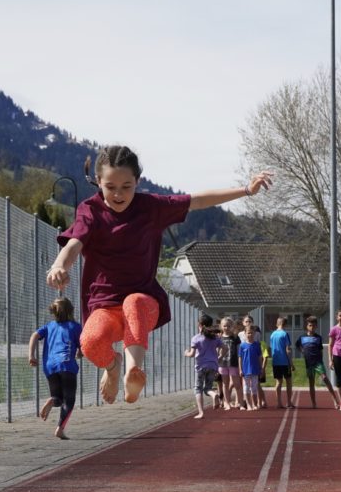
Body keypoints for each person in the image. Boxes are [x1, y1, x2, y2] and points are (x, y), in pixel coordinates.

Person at [46, 145, 272, 404]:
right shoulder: (90, 210)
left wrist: (245, 190)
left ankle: (133, 370)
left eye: (127, 186)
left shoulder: (151, 207)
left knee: (134, 302)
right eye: (110, 187)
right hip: (104, 307)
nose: (118, 194)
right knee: (90, 343)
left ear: (137, 181)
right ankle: (113, 365)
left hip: (145, 303)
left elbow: (197, 200)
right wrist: (59, 265)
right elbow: (75, 242)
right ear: (98, 181)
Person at [28, 297, 83, 439]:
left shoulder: (49, 326)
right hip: (67, 366)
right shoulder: (75, 327)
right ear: (71, 310)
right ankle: (60, 428)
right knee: (69, 400)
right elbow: (83, 345)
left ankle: (52, 400)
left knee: (58, 398)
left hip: (50, 366)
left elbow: (34, 335)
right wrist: (80, 352)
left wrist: (31, 356)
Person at [296, 316, 341, 410]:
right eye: (310, 325)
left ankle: (335, 399)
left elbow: (320, 350)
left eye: (313, 326)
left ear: (316, 326)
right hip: (308, 363)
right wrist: (302, 350)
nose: (311, 327)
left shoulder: (318, 338)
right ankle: (313, 403)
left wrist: (321, 360)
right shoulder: (302, 337)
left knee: (325, 378)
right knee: (311, 383)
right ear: (307, 326)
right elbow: (297, 345)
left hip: (318, 363)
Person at [184, 313, 224, 419]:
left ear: (200, 325)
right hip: (213, 366)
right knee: (208, 388)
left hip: (200, 366)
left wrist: (186, 353)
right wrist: (219, 357)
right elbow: (225, 348)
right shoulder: (215, 338)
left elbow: (192, 354)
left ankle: (201, 412)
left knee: (198, 389)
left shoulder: (196, 338)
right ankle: (213, 394)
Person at [217, 317, 244, 410]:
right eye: (224, 326)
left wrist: (240, 364)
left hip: (233, 363)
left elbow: (239, 351)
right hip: (222, 363)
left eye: (228, 326)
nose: (226, 328)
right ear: (221, 326)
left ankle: (240, 403)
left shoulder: (235, 337)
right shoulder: (219, 338)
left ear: (232, 326)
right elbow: (216, 350)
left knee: (237, 384)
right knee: (225, 384)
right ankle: (227, 403)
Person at [238, 316, 264, 410]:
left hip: (255, 369)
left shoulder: (257, 345)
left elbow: (259, 357)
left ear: (254, 334)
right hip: (245, 370)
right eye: (248, 333)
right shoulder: (242, 345)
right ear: (245, 334)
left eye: (251, 333)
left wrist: (261, 368)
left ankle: (254, 404)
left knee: (254, 387)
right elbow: (240, 358)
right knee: (246, 388)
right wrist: (240, 369)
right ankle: (248, 405)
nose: (250, 334)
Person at [269, 316, 294, 409]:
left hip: (276, 362)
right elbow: (288, 349)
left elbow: (272, 348)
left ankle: (279, 402)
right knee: (288, 381)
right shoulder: (285, 334)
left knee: (278, 382)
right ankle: (289, 402)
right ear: (285, 324)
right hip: (284, 362)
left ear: (277, 323)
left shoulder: (272, 335)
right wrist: (291, 363)